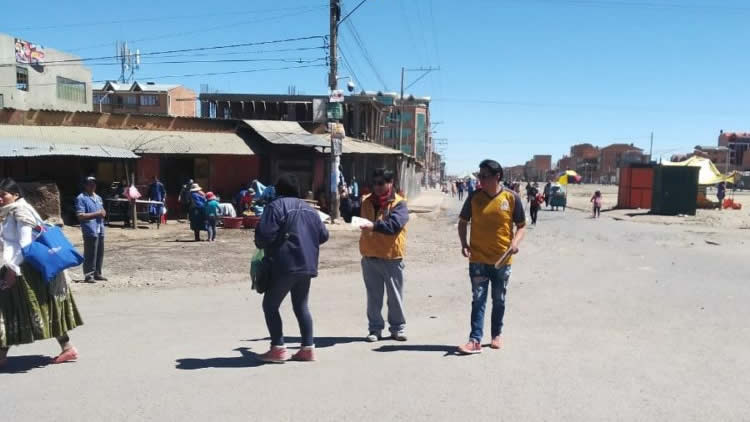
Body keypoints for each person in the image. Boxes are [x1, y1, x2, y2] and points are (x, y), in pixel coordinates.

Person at [0, 178, 83, 367]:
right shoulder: (9, 212)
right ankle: (67, 347)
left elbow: (25, 244)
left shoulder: (20, 212)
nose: (0, 199)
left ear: (15, 195)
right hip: (25, 266)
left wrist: (12, 271)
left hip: (27, 269)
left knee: (9, 309)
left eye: (3, 194)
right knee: (33, 308)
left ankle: (2, 354)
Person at [255, 174, 329, 363]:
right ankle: (308, 348)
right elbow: (324, 235)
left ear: (278, 190)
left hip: (284, 264)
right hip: (307, 264)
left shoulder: (275, 207)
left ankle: (278, 347)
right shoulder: (310, 210)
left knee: (270, 305)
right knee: (301, 306)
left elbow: (263, 236)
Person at [457, 160, 527, 355]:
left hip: (502, 261)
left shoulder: (511, 198)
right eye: (479, 175)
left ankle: (496, 334)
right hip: (477, 259)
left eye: (484, 176)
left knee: (499, 299)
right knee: (478, 300)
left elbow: (521, 225)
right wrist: (463, 243)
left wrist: (515, 243)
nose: (480, 179)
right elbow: (462, 222)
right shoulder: (473, 197)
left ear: (497, 177)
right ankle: (475, 340)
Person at [358, 168, 410, 342]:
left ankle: (397, 328)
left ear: (390, 183)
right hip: (369, 255)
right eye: (375, 184)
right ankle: (375, 329)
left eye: (381, 183)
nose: (377, 187)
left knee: (395, 297)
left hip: (391, 257)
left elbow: (394, 226)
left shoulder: (399, 204)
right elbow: (350, 213)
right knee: (373, 297)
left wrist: (373, 226)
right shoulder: (366, 201)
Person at [76, 176, 107, 283]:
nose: (93, 185)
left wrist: (103, 212)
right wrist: (97, 213)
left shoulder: (98, 198)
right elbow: (80, 216)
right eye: (90, 183)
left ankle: (97, 273)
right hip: (90, 229)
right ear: (85, 185)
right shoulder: (81, 198)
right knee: (90, 253)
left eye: (94, 183)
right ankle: (89, 275)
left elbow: (101, 209)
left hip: (100, 228)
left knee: (99, 252)